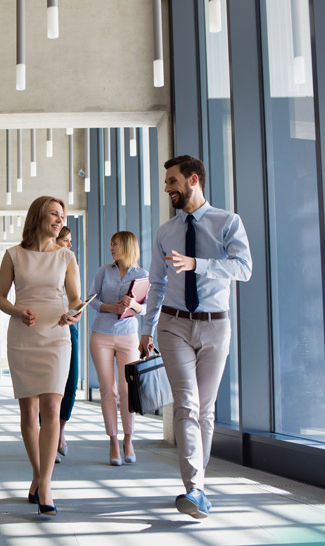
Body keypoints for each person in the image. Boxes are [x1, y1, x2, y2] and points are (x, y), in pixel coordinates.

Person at [139, 155, 252, 519]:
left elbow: (244, 268)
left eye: (172, 181)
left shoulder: (227, 222)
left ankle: (198, 483)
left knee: (205, 409)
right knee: (186, 404)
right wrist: (146, 329)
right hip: (173, 324)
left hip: (216, 324)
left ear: (193, 180)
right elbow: (155, 284)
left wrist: (197, 264)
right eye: (167, 183)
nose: (168, 188)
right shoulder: (165, 231)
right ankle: (194, 488)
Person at [0, 196, 83, 516]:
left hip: (57, 338)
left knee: (51, 407)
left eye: (62, 215)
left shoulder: (67, 257)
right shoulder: (13, 255)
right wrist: (18, 311)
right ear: (38, 217)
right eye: (54, 215)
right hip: (23, 336)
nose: (60, 220)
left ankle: (45, 482)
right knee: (29, 412)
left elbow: (75, 299)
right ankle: (36, 473)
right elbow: (0, 298)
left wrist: (74, 314)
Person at [88, 231, 148, 466]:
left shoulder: (142, 275)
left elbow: (147, 308)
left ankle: (128, 440)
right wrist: (108, 307)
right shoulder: (104, 271)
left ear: (128, 246)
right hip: (101, 335)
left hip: (128, 337)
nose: (111, 247)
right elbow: (91, 299)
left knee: (126, 390)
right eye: (111, 243)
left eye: (115, 244)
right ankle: (113, 440)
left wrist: (134, 305)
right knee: (108, 390)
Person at [54, 227, 79, 462]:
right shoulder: (44, 265)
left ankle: (60, 432)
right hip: (46, 330)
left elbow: (75, 299)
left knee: (70, 383)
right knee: (49, 387)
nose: (69, 246)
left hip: (68, 327)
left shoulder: (70, 263)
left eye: (71, 241)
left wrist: (75, 312)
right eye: (66, 241)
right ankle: (49, 439)